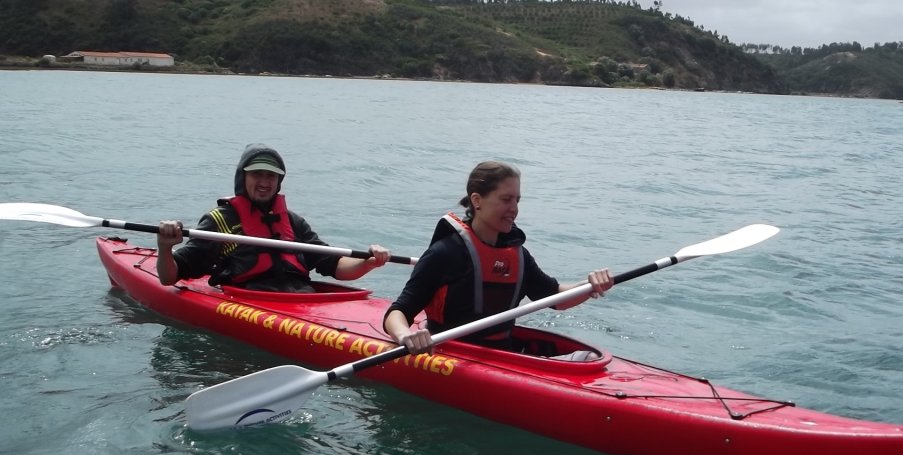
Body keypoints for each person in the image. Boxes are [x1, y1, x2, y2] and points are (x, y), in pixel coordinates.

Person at [384, 161, 613, 355]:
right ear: (477, 200)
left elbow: (554, 297)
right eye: (506, 199)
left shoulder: (519, 256)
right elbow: (398, 312)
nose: (514, 208)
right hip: (449, 353)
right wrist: (406, 336)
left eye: (517, 200)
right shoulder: (445, 253)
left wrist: (590, 285)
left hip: (501, 355)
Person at [156, 143, 390, 292]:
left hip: (301, 301)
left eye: (271, 176)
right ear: (242, 177)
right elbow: (169, 277)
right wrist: (165, 248)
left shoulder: (293, 222)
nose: (265, 182)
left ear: (279, 182)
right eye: (257, 174)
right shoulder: (219, 222)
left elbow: (335, 265)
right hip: (247, 300)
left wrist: (368, 262)